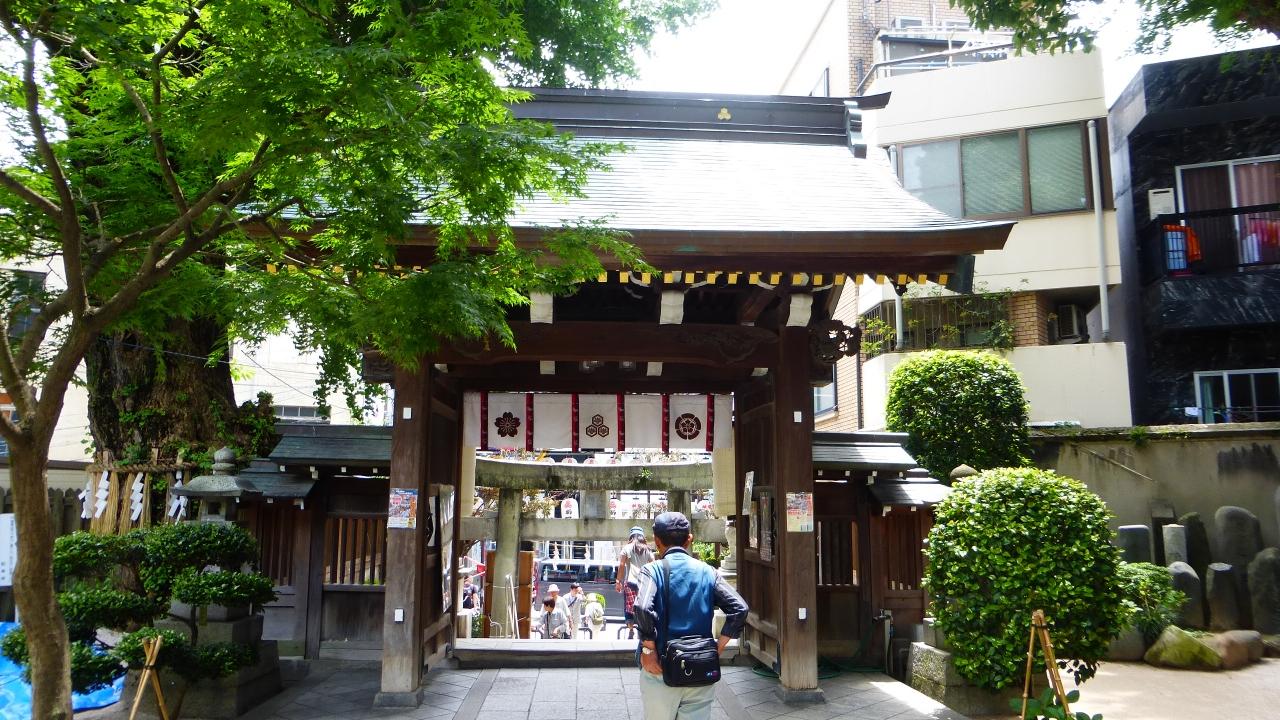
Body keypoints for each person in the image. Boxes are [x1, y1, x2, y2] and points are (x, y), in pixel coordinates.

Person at [633, 512, 748, 720]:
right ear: (689, 539)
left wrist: (648, 649)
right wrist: (717, 648)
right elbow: (739, 608)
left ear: (656, 541)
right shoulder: (708, 572)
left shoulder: (652, 571)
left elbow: (642, 607)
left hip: (661, 669)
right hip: (700, 670)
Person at [616, 525, 655, 639]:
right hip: (644, 583)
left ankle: (631, 629)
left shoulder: (627, 548)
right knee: (642, 605)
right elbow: (653, 563)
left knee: (629, 607)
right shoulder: (647, 549)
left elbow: (621, 565)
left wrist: (618, 581)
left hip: (630, 583)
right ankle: (642, 629)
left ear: (631, 537)